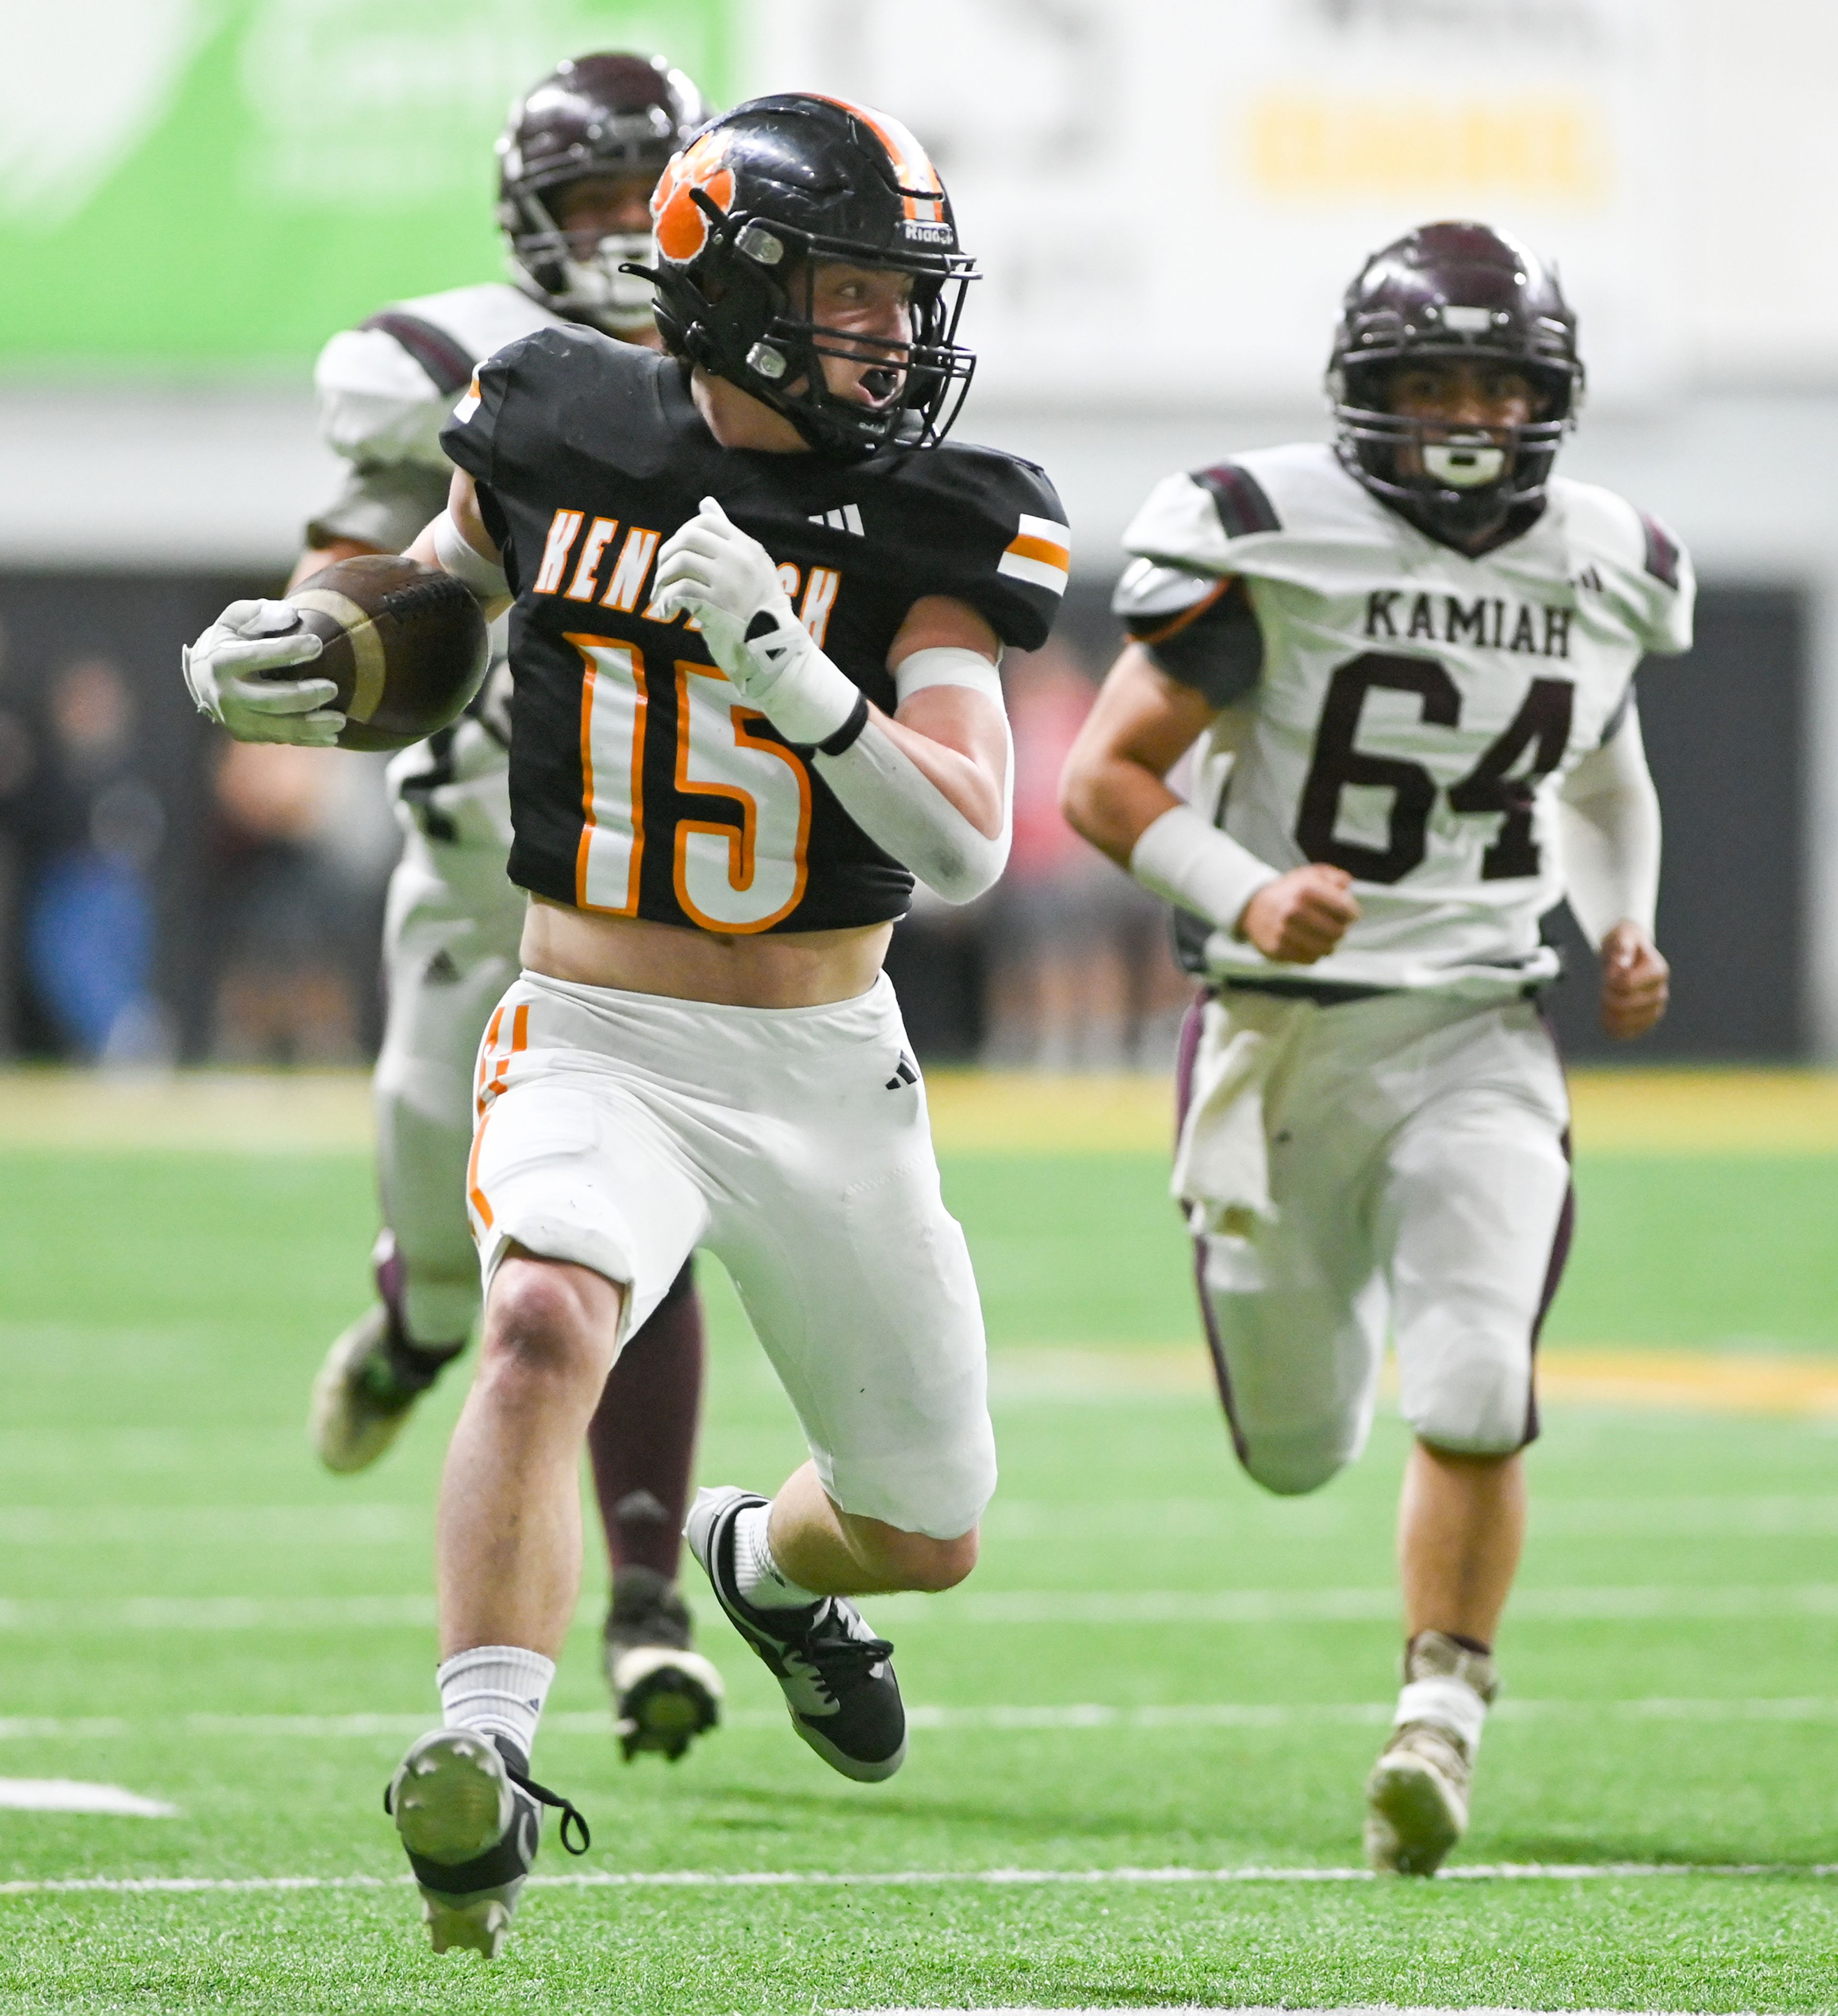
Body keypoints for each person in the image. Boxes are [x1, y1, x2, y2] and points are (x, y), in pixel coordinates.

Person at [189, 92, 1067, 1957]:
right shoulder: (552, 418)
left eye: (904, 297)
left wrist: (797, 671)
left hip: (830, 1068)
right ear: (736, 289)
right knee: (536, 1314)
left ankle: (757, 1562)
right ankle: (483, 1757)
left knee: (927, 1526)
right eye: (852, 293)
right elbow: (441, 594)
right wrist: (313, 647)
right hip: (596, 1027)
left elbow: (973, 839)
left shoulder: (940, 509)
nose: (894, 335)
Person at [1060, 222, 1691, 1877]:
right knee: (1297, 1449)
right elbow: (1103, 782)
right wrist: (1245, 887)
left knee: (1480, 1378)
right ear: (1367, 394)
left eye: (1499, 377)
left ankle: (1441, 1720)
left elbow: (1609, 774)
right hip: (1277, 1045)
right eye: (1433, 379)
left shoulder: (1606, 557)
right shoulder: (1268, 534)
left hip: (1483, 1027)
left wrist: (1623, 917)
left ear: (1552, 393)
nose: (1470, 411)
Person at [183, 54, 726, 1763]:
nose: (627, 241)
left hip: (662, 878)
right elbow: (350, 564)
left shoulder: (764, 362)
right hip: (477, 867)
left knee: (624, 1226)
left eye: (651, 198)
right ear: (525, 220)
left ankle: (649, 1599)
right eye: (592, 205)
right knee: (442, 1210)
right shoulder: (433, 367)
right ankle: (417, 1328)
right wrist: (306, 651)